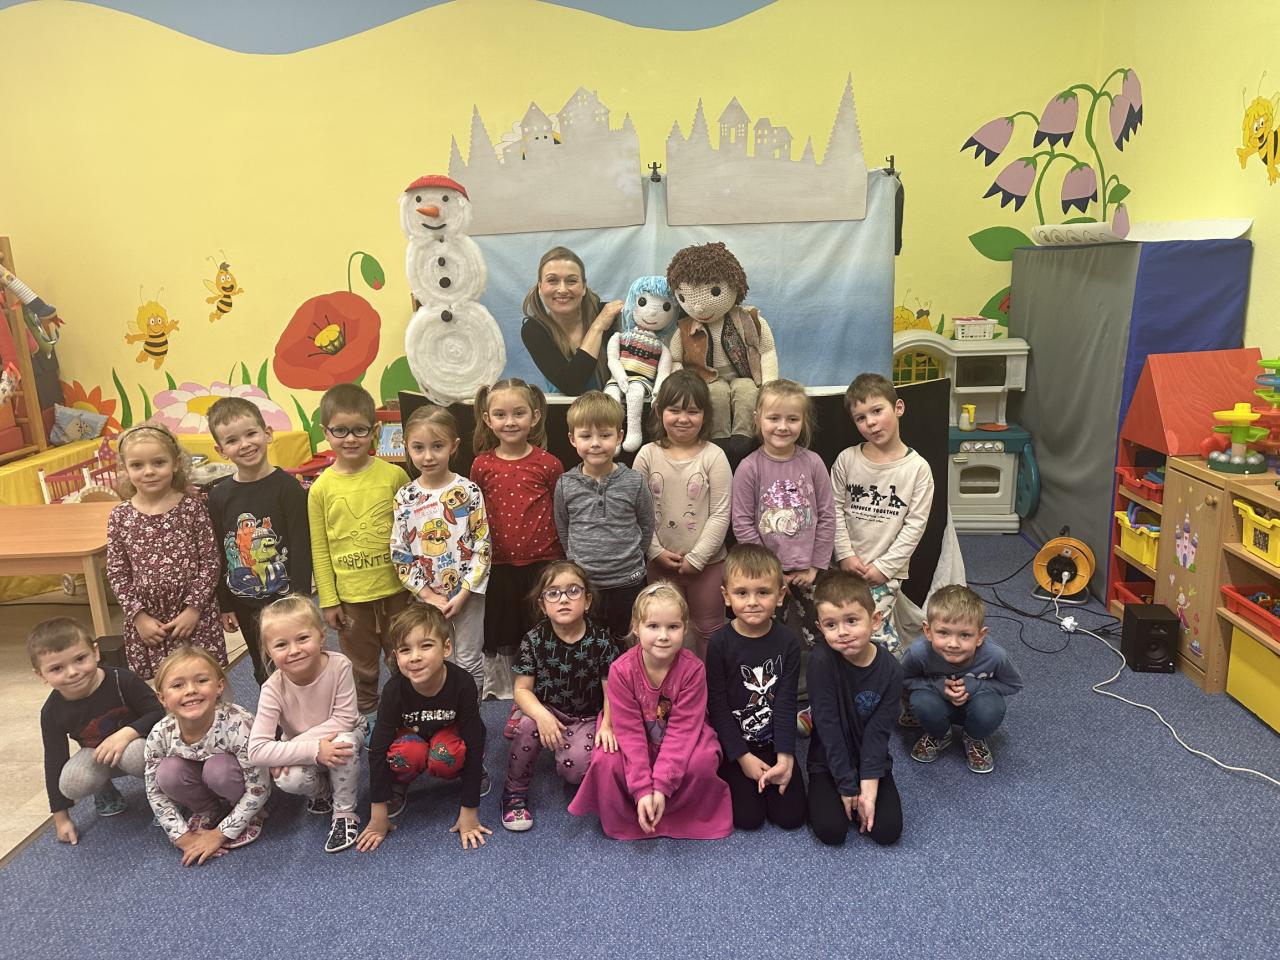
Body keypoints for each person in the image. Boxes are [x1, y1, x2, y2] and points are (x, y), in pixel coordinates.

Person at [569, 582, 731, 841]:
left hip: (680, 735)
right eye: (653, 626)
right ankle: (635, 811)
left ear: (685, 628)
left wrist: (662, 786)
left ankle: (677, 816)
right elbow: (630, 732)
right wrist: (643, 789)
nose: (663, 636)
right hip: (633, 736)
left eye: (673, 627)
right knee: (606, 762)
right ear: (636, 627)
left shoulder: (694, 670)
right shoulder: (621, 670)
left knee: (702, 761)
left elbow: (682, 731)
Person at [307, 382, 410, 721]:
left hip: (397, 591)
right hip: (352, 598)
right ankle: (366, 717)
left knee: (404, 656)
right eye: (340, 430)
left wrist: (416, 585)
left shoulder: (394, 476)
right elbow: (320, 548)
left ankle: (407, 712)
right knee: (361, 666)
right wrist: (328, 600)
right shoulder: (320, 489)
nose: (350, 439)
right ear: (326, 432)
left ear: (375, 431)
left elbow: (410, 533)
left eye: (359, 430)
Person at [357, 604, 490, 852]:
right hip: (412, 738)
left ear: (446, 648)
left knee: (445, 757)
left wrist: (470, 811)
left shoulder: (462, 683)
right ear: (396, 656)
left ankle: (466, 772)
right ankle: (401, 782)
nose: (414, 657)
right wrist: (377, 815)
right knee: (408, 754)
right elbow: (377, 748)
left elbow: (475, 740)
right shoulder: (394, 690)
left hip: (448, 737)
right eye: (405, 650)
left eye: (426, 645)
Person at [470, 377, 564, 718]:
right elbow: (475, 514)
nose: (510, 422)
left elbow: (560, 511)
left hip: (543, 562)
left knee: (541, 626)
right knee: (505, 628)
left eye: (518, 413)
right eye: (500, 414)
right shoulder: (481, 465)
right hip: (499, 564)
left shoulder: (549, 464)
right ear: (487, 419)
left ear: (535, 416)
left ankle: (548, 687)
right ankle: (512, 693)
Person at [502, 561, 618, 832]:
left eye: (573, 591)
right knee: (526, 726)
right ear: (543, 605)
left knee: (575, 770)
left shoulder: (602, 642)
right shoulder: (533, 640)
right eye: (553, 593)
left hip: (586, 716)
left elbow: (611, 690)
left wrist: (608, 725)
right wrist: (541, 715)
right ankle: (514, 791)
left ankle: (564, 747)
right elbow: (521, 689)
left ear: (587, 601)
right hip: (546, 707)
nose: (563, 599)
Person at [106, 422, 226, 680]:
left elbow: (211, 561)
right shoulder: (120, 516)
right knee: (164, 685)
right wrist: (138, 616)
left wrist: (193, 609)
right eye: (137, 465)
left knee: (206, 679)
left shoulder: (192, 508)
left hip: (195, 617)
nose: (149, 471)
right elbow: (117, 572)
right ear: (125, 469)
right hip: (150, 622)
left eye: (158, 462)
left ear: (175, 464)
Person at [206, 396, 311, 685]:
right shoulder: (218, 496)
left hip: (286, 598)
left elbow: (301, 547)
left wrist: (300, 599)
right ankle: (273, 712)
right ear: (221, 450)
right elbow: (219, 552)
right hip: (244, 601)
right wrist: (224, 604)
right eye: (232, 440)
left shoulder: (288, 488)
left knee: (298, 660)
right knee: (262, 665)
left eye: (251, 434)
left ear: (267, 434)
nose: (245, 444)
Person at [246, 596, 364, 853]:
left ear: (321, 637)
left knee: (343, 744)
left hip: (344, 733)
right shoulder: (272, 688)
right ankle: (322, 792)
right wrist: (313, 750)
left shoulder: (339, 666)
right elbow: (256, 750)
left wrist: (294, 748)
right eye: (281, 644)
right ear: (268, 651)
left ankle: (344, 813)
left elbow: (345, 719)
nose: (294, 650)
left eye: (302, 638)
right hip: (307, 748)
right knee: (287, 778)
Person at [31, 617, 163, 845]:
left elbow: (159, 712)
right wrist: (61, 819)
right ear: (41, 675)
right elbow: (54, 760)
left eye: (80, 659)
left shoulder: (122, 679)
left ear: (95, 652)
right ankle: (105, 790)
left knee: (134, 754)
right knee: (71, 782)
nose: (72, 672)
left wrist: (127, 733)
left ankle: (165, 794)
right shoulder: (51, 712)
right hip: (99, 753)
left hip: (139, 744)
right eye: (57, 668)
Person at [831, 372, 935, 660]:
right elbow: (833, 510)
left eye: (877, 411)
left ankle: (893, 680)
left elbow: (915, 526)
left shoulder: (918, 469)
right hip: (845, 569)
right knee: (843, 632)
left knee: (874, 634)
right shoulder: (847, 460)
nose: (871, 422)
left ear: (898, 408)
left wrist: (885, 567)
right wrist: (845, 555)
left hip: (885, 573)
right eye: (861, 417)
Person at [390, 403, 490, 695]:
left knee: (469, 659)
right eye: (418, 447)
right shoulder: (405, 496)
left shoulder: (469, 491)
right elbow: (400, 551)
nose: (428, 456)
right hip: (425, 597)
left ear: (453, 446)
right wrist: (426, 594)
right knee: (433, 657)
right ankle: (441, 708)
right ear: (406, 447)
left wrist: (464, 592)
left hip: (468, 595)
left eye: (437, 446)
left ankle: (469, 711)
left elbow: (482, 545)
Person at [705, 545, 807, 831]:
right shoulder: (720, 644)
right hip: (737, 744)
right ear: (726, 596)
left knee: (791, 817)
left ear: (780, 595)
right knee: (747, 819)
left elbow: (786, 702)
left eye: (763, 592)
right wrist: (742, 757)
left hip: (774, 742)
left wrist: (785, 757)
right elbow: (717, 706)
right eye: (741, 593)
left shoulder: (787, 642)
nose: (752, 602)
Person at [633, 370, 731, 658]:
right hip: (660, 564)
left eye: (692, 411)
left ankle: (708, 685)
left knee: (709, 630)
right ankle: (666, 684)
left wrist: (697, 558)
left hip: (708, 564)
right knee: (661, 632)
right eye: (674, 410)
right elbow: (637, 512)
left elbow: (720, 513)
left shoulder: (714, 456)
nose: (683, 419)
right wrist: (654, 552)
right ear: (659, 411)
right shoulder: (647, 455)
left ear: (705, 415)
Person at [731, 379, 835, 650]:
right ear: (758, 419)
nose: (782, 426)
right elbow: (742, 523)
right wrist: (770, 572)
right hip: (766, 576)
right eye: (774, 418)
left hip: (810, 572)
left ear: (803, 421)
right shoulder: (749, 468)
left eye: (792, 419)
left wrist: (815, 566)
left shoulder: (813, 463)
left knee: (820, 638)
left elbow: (827, 516)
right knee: (769, 640)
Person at [144, 646, 270, 865]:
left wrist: (221, 834)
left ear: (219, 686)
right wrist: (181, 837)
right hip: (198, 780)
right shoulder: (160, 733)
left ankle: (248, 815)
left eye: (201, 681)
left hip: (236, 782)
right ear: (162, 698)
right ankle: (208, 809)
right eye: (177, 685)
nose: (191, 690)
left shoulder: (238, 722)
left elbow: (259, 787)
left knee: (218, 770)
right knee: (167, 773)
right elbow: (155, 791)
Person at [805, 572, 904, 848]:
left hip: (869, 756)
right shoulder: (821, 661)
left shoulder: (892, 671)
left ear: (875, 620)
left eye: (852, 621)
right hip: (828, 759)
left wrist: (868, 787)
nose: (843, 632)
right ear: (820, 628)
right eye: (831, 625)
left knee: (887, 831)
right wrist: (847, 785)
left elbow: (878, 733)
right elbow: (829, 728)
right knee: (831, 831)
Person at [554, 391, 655, 642]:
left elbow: (646, 525)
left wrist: (630, 559)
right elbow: (563, 529)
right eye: (586, 436)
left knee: (628, 644)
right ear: (572, 439)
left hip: (629, 583)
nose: (596, 443)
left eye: (605, 435)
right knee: (589, 645)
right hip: (585, 586)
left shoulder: (634, 481)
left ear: (619, 437)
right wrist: (577, 562)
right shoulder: (565, 484)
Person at [902, 585, 1024, 774]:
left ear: (980, 636)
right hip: (937, 703)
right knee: (920, 700)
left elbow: (1014, 684)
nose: (953, 644)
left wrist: (977, 685)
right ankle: (939, 734)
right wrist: (936, 686)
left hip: (976, 704)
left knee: (992, 707)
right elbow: (901, 679)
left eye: (965, 635)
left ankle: (973, 738)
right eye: (943, 633)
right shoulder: (918, 652)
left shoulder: (995, 656)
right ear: (928, 630)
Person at [520, 246, 623, 395]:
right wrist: (598, 327)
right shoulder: (534, 329)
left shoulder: (609, 315)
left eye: (571, 281)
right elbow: (571, 384)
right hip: (564, 409)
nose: (562, 289)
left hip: (615, 408)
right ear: (540, 287)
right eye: (552, 280)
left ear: (584, 287)